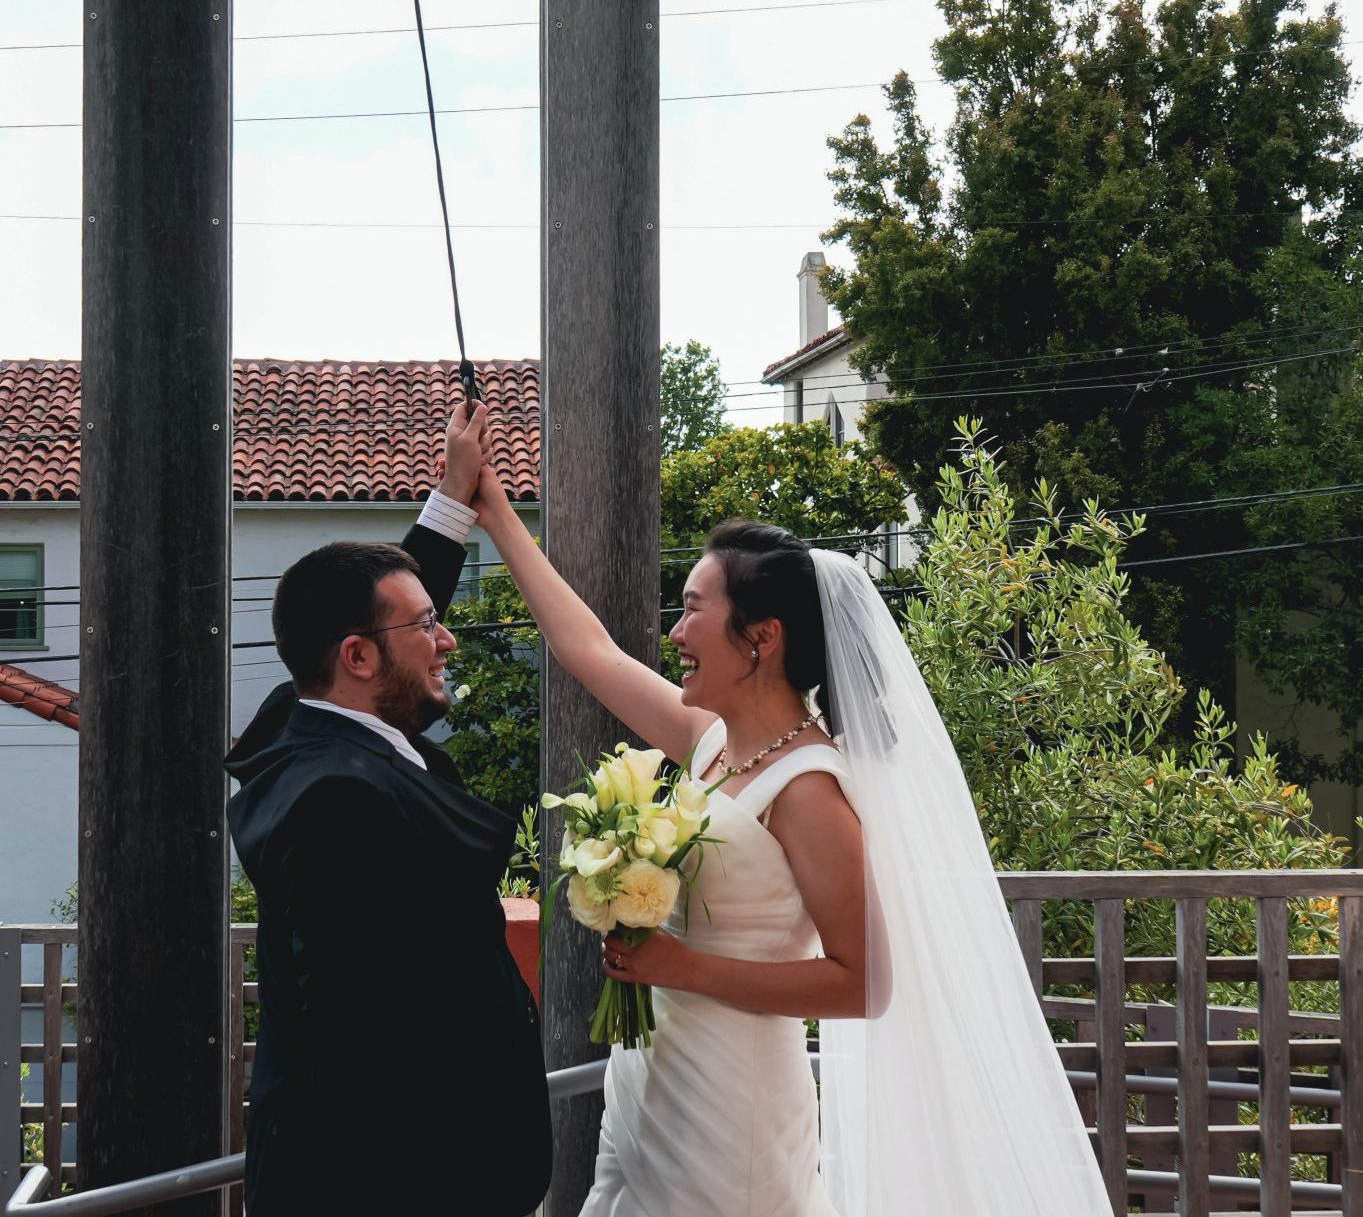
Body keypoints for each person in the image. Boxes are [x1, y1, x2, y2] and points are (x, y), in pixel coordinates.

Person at [471, 466, 1110, 1214]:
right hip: (650, 1086)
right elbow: (590, 651)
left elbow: (863, 983)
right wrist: (498, 517)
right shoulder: (709, 742)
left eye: (691, 610)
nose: (674, 634)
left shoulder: (809, 788)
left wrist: (682, 967)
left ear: (761, 639)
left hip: (731, 1112)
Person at [224, 402, 551, 1217]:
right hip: (397, 1183)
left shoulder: (295, 728)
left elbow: (370, 613)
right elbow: (359, 1050)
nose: (448, 642)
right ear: (359, 658)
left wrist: (451, 495)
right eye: (430, 627)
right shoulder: (340, 801)